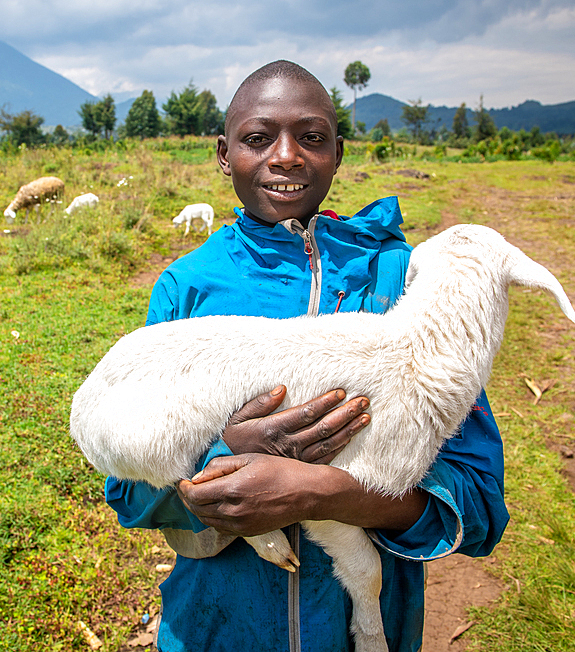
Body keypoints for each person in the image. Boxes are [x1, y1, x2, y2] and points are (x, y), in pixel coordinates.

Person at [104, 60, 508, 652]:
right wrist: (226, 455)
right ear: (224, 153)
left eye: (312, 137)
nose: (287, 155)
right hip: (216, 630)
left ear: (338, 152)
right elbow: (130, 488)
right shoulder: (187, 288)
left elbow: (477, 502)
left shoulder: (402, 283)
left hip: (369, 631)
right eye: (258, 137)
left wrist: (324, 492)